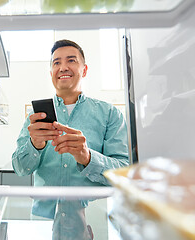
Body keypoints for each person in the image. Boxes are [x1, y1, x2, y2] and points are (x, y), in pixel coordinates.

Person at [12, 39, 129, 239]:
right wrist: (35, 145)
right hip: (42, 222)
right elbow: (20, 169)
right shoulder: (35, 118)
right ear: (51, 74)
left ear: (84, 70)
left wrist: (88, 158)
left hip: (94, 220)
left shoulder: (110, 114)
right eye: (56, 62)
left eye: (71, 60)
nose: (63, 67)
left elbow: (123, 173)